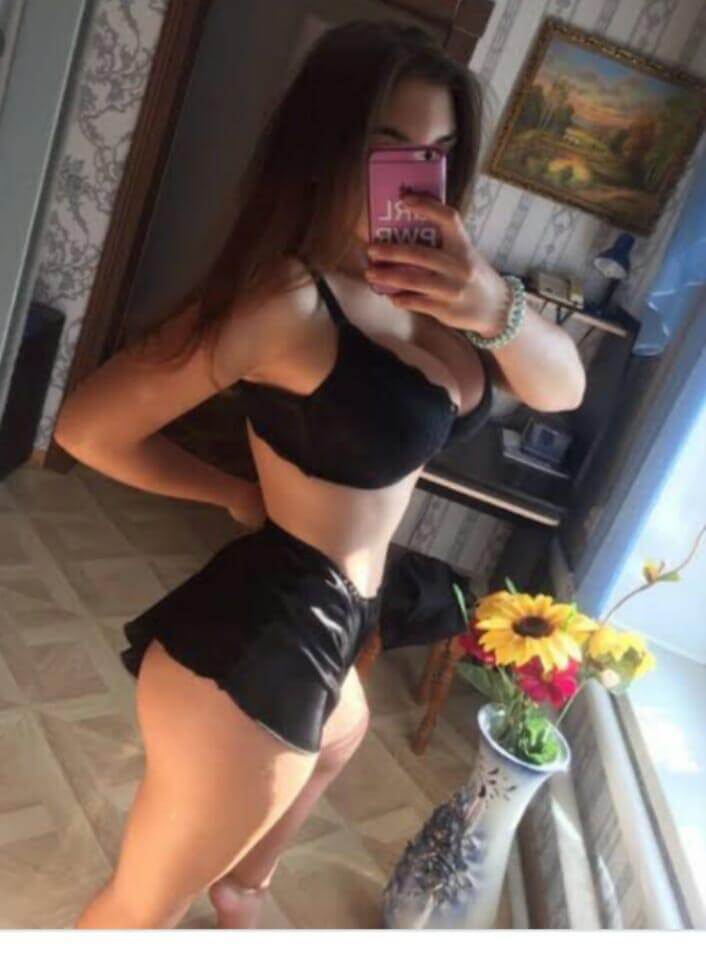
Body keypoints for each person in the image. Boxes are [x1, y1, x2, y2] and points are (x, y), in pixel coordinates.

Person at [54, 19, 585, 930]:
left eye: (438, 154)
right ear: (328, 146)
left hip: (345, 619)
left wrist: (491, 299)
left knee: (339, 740)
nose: (415, 177)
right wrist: (228, 490)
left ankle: (242, 895)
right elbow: (88, 429)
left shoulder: (444, 289)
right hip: (263, 643)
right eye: (389, 146)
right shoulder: (288, 302)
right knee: (139, 912)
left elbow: (563, 389)